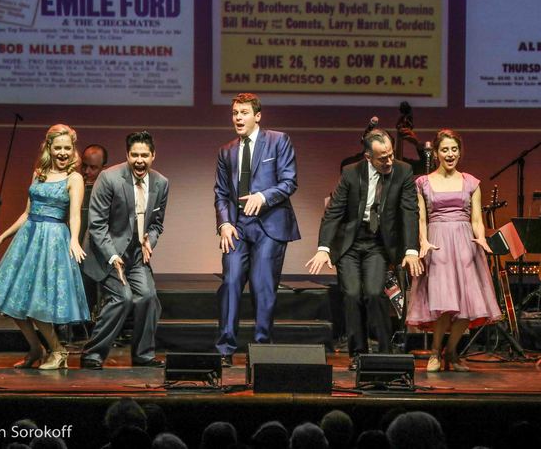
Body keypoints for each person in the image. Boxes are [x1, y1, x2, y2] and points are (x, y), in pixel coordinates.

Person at [307, 129, 422, 370]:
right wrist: (324, 247)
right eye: (383, 158)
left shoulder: (403, 171)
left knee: (372, 292)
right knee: (351, 294)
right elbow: (334, 211)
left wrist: (411, 249)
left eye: (390, 155)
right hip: (350, 244)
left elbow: (410, 211)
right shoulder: (351, 173)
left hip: (378, 245)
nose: (389, 161)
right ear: (368, 156)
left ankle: (384, 352)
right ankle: (358, 354)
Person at [0, 124, 89, 369]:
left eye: (67, 148)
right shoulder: (39, 172)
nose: (62, 153)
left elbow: (75, 215)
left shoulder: (75, 178)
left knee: (38, 303)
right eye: (57, 147)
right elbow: (27, 213)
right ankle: (36, 348)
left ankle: (58, 352)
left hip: (52, 240)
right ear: (49, 148)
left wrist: (74, 239)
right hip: (29, 239)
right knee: (13, 302)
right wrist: (2, 237)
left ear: (73, 150)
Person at [214, 92, 300, 366]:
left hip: (269, 225)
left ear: (257, 116)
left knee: (263, 286)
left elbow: (289, 182)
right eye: (235, 113)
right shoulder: (226, 150)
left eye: (244, 113)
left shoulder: (278, 141)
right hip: (238, 226)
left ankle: (262, 348)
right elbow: (220, 193)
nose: (238, 118)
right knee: (230, 284)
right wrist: (224, 223)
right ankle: (225, 349)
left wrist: (262, 197)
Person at [406, 129, 501, 372]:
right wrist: (423, 242)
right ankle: (435, 353)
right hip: (438, 244)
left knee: (469, 305)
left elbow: (476, 219)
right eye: (445, 149)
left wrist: (480, 238)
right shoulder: (423, 183)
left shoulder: (471, 182)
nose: (450, 154)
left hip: (465, 244)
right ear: (436, 153)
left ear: (460, 152)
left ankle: (452, 351)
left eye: (454, 149)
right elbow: (421, 219)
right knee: (445, 304)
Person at [80, 131, 168, 369]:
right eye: (134, 155)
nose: (139, 160)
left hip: (137, 256)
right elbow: (96, 225)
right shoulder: (109, 179)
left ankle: (143, 355)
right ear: (127, 155)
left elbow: (157, 223)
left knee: (148, 297)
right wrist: (113, 255)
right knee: (123, 297)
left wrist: (151, 240)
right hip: (106, 254)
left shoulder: (161, 183)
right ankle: (93, 354)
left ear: (153, 156)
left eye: (144, 155)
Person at [79, 144, 109, 320]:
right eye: (84, 166)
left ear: (104, 168)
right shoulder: (75, 186)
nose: (87, 171)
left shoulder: (109, 190)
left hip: (96, 249)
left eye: (93, 167)